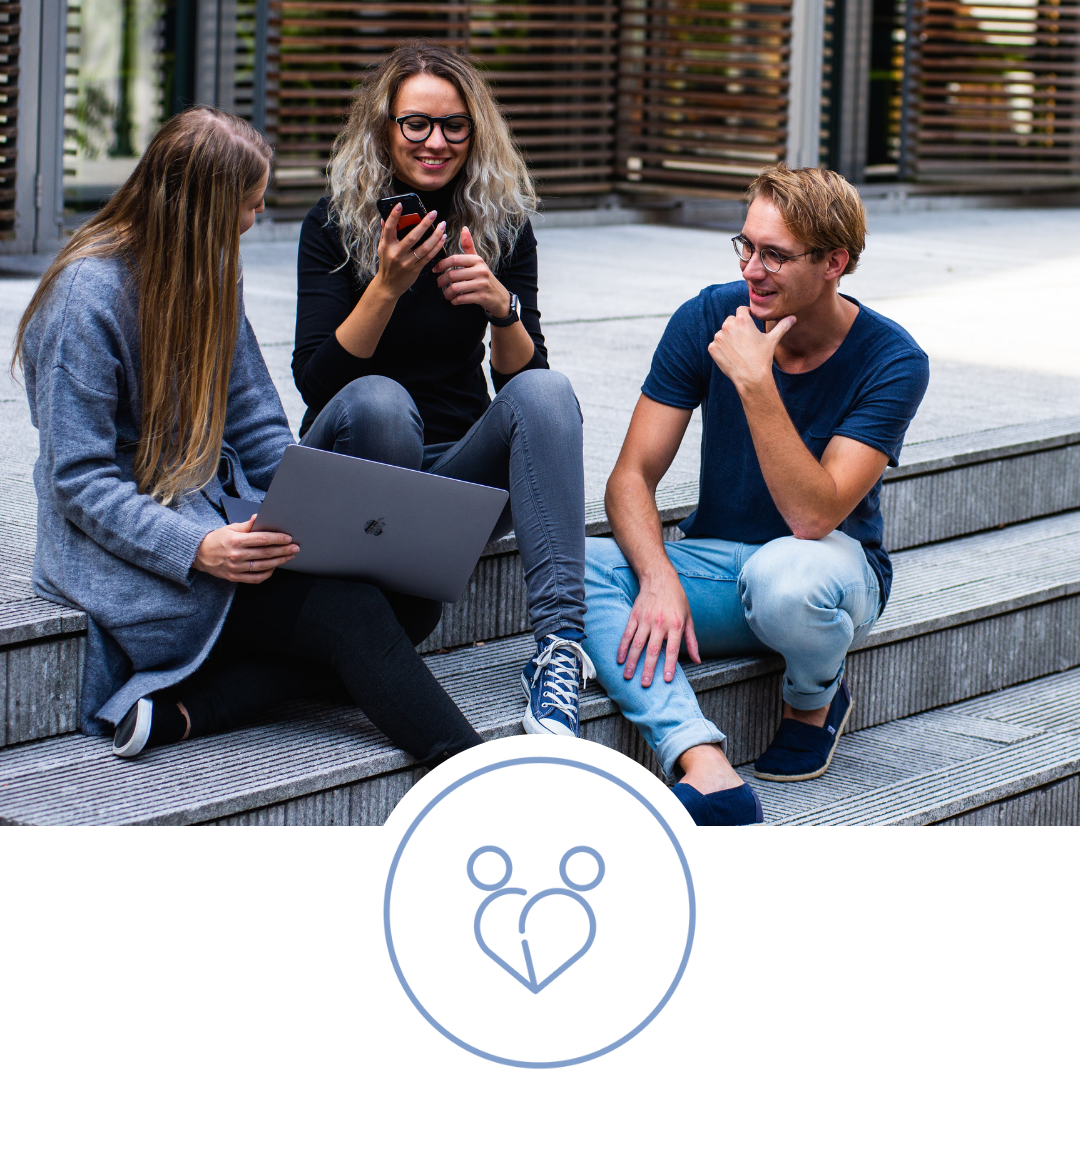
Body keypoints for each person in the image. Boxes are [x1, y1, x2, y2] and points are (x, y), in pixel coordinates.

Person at [14, 107, 483, 766]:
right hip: (131, 550)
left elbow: (257, 423)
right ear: (204, 209)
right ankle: (478, 776)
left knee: (410, 607)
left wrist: (297, 511)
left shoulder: (209, 271)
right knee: (351, 615)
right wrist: (199, 546)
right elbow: (80, 480)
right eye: (250, 205)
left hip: (221, 519)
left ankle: (195, 708)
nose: (254, 220)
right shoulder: (84, 298)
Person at [581, 164, 930, 826]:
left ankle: (813, 696)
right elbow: (630, 477)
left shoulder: (893, 360)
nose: (752, 269)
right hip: (716, 565)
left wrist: (756, 383)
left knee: (786, 577)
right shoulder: (708, 316)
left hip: (827, 570)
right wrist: (656, 577)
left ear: (835, 262)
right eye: (746, 246)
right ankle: (701, 762)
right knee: (573, 565)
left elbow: (814, 514)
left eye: (774, 254)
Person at [292, 41, 593, 736]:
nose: (436, 142)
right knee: (380, 401)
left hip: (455, 478)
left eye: (454, 124)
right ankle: (373, 619)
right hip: (358, 464)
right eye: (416, 124)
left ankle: (557, 650)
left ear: (475, 129)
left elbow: (524, 381)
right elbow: (317, 380)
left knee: (550, 393)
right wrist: (387, 286)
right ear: (385, 127)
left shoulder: (500, 222)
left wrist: (500, 308)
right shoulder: (335, 222)